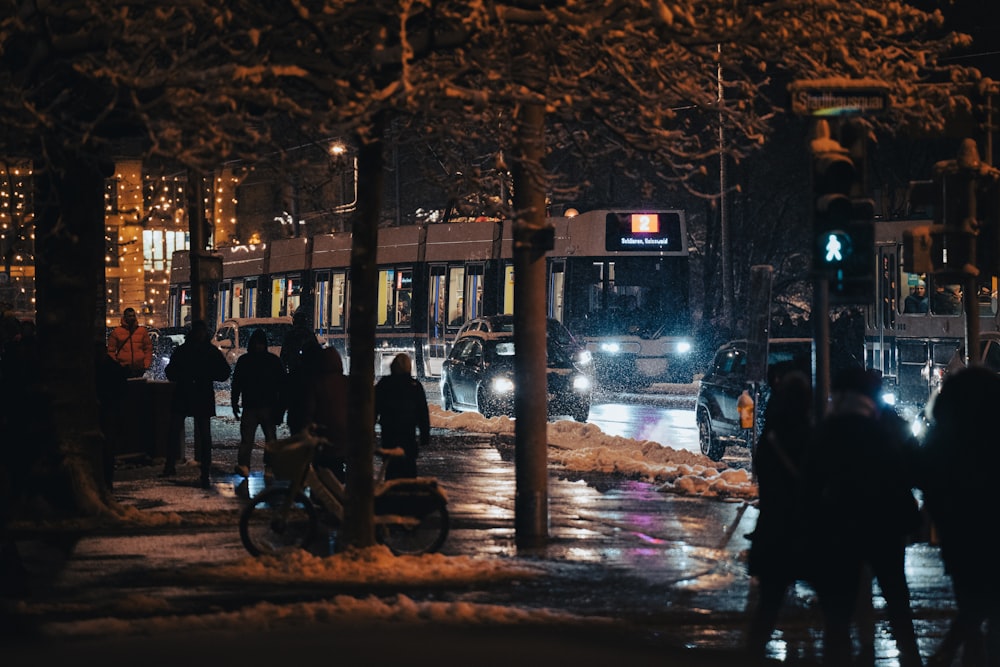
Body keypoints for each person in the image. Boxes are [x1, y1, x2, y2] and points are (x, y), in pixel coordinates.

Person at [803, 368, 923, 667]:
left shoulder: (828, 431)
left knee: (840, 607)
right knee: (896, 596)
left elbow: (809, 485)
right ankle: (909, 655)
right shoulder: (889, 427)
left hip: (841, 528)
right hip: (886, 528)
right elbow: (914, 469)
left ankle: (840, 656)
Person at [918, 366, 1000, 667]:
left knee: (971, 602)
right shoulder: (993, 436)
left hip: (958, 540)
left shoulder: (942, 440)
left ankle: (957, 652)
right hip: (992, 537)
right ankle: (957, 651)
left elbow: (926, 480)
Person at [744, 370, 813, 663]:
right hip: (806, 532)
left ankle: (753, 654)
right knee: (824, 607)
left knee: (768, 606)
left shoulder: (770, 442)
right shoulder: (813, 438)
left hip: (773, 531)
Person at [161, 320, 231, 488]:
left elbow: (170, 372)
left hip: (185, 394)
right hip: (201, 395)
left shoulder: (184, 350)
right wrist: (206, 375)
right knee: (203, 435)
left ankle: (172, 465)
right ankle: (203, 469)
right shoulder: (209, 351)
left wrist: (185, 377)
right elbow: (224, 373)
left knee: (176, 431)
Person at [230, 328, 286, 478]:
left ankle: (245, 465)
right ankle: (269, 466)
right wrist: (280, 407)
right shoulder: (273, 361)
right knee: (270, 439)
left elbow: (237, 383)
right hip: (266, 405)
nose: (258, 346)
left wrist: (234, 402)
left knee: (248, 440)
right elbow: (282, 384)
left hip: (252, 405)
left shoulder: (245, 361)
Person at [287, 346, 349, 481]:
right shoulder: (347, 382)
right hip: (346, 436)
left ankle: (322, 499)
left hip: (324, 435)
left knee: (321, 471)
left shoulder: (317, 383)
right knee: (337, 470)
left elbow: (309, 409)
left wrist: (306, 427)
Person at [374, 353, 430, 480]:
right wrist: (424, 435)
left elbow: (374, 408)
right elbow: (422, 412)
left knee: (391, 467)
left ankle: (391, 493)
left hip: (389, 433)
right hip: (408, 434)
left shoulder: (384, 384)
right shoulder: (414, 386)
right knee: (409, 468)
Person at [94, 340, 128, 492]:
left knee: (106, 448)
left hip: (104, 410)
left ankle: (105, 481)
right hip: (107, 410)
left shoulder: (93, 369)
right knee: (107, 447)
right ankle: (106, 481)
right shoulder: (112, 368)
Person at [107, 307, 153, 378]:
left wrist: (146, 364)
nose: (132, 318)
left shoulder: (142, 331)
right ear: (125, 317)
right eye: (130, 316)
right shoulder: (117, 332)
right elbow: (111, 351)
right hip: (123, 368)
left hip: (139, 368)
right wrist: (117, 365)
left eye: (133, 316)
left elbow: (148, 349)